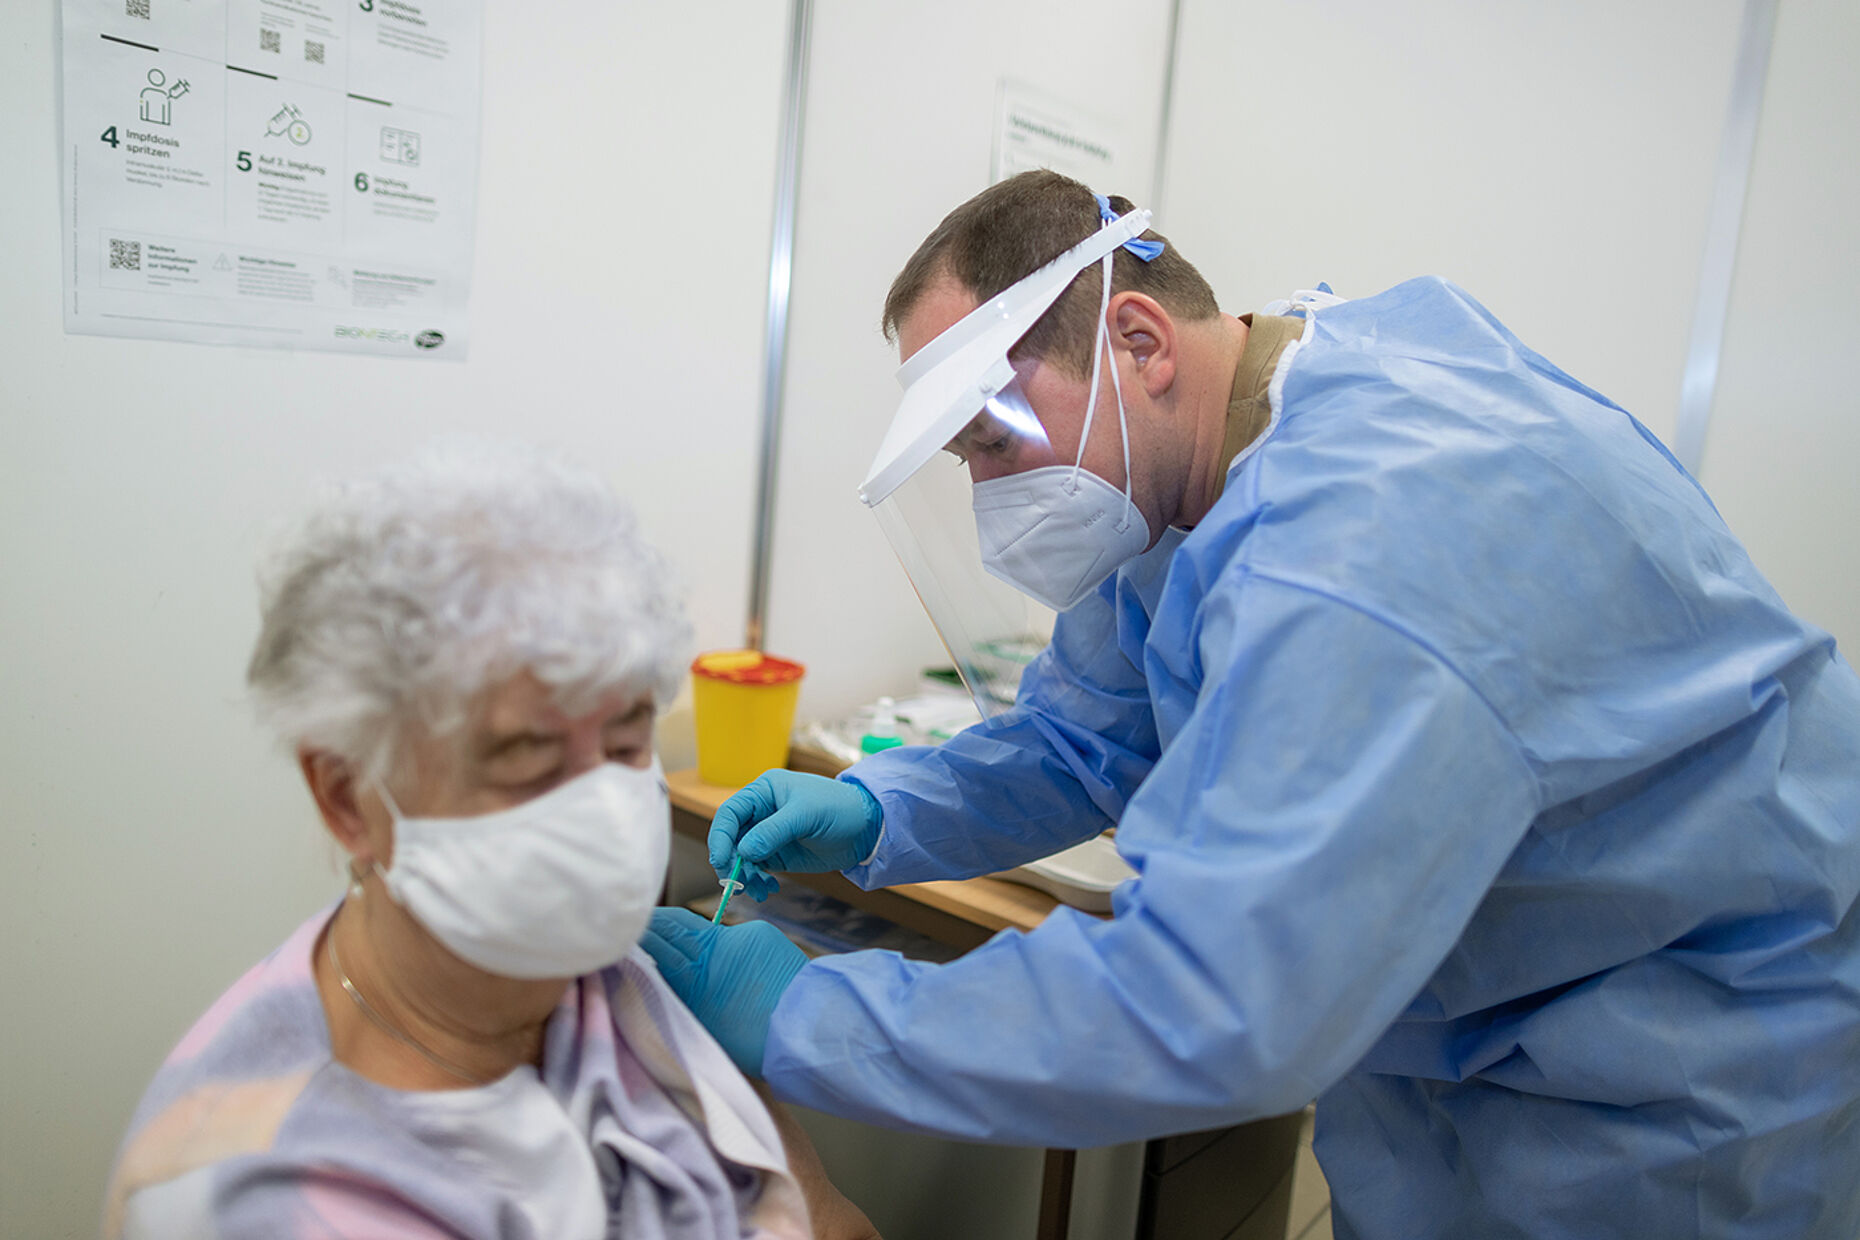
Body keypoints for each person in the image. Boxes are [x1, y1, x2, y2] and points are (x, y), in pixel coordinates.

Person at [647, 171, 1860, 1238]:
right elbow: (1087, 734)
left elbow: (1205, 1002)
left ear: (1138, 340)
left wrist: (809, 1012)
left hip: (1676, 1080)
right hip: (1479, 1032)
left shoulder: (1364, 534)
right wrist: (876, 809)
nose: (992, 502)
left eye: (995, 442)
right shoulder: (1232, 445)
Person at [104, 444, 877, 1240]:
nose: (605, 811)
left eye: (624, 746)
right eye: (529, 763)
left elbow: (830, 1226)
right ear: (346, 796)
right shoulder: (268, 1186)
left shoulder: (614, 984)